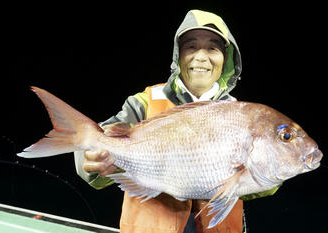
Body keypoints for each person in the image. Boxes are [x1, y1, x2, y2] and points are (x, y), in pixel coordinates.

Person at [74, 9, 278, 233]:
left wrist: (273, 170)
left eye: (212, 47)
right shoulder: (144, 103)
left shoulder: (241, 114)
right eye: (191, 46)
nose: (201, 56)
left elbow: (255, 182)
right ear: (178, 55)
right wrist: (93, 162)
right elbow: (94, 148)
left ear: (226, 58)